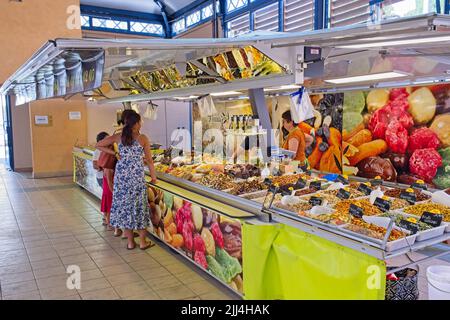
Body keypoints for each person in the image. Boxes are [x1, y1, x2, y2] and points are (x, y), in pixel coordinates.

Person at [96, 112, 157, 250]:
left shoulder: (119, 137)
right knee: (139, 210)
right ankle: (142, 242)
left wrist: (116, 153)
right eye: (140, 121)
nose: (141, 124)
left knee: (125, 210)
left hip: (122, 179)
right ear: (135, 123)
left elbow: (98, 145)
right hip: (136, 180)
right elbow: (150, 161)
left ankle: (130, 243)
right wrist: (154, 178)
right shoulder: (143, 138)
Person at [93, 131, 109, 226]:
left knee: (107, 197)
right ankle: (106, 217)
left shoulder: (108, 149)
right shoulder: (98, 151)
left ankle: (106, 217)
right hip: (102, 178)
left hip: (108, 177)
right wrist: (106, 167)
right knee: (107, 197)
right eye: (107, 138)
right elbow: (95, 165)